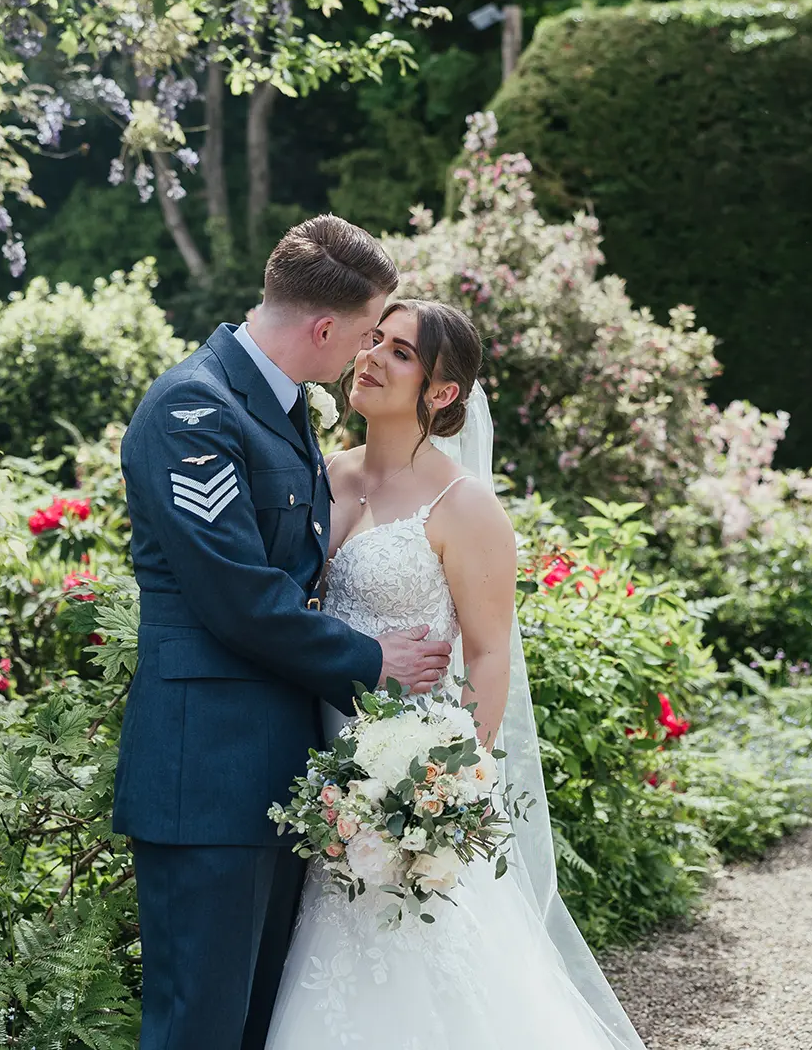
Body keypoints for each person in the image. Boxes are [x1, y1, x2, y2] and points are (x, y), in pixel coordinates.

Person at [263, 299, 648, 1050]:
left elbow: (490, 653)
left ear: (442, 393)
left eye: (401, 352)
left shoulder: (464, 505)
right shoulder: (322, 474)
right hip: (311, 770)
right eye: (374, 338)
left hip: (403, 782)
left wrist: (446, 789)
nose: (371, 356)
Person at [114, 216, 456, 1050]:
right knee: (197, 1027)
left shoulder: (279, 405)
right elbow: (238, 595)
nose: (366, 352)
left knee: (253, 1027)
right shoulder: (194, 409)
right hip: (207, 771)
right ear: (325, 328)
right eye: (368, 333)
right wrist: (372, 660)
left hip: (274, 770)